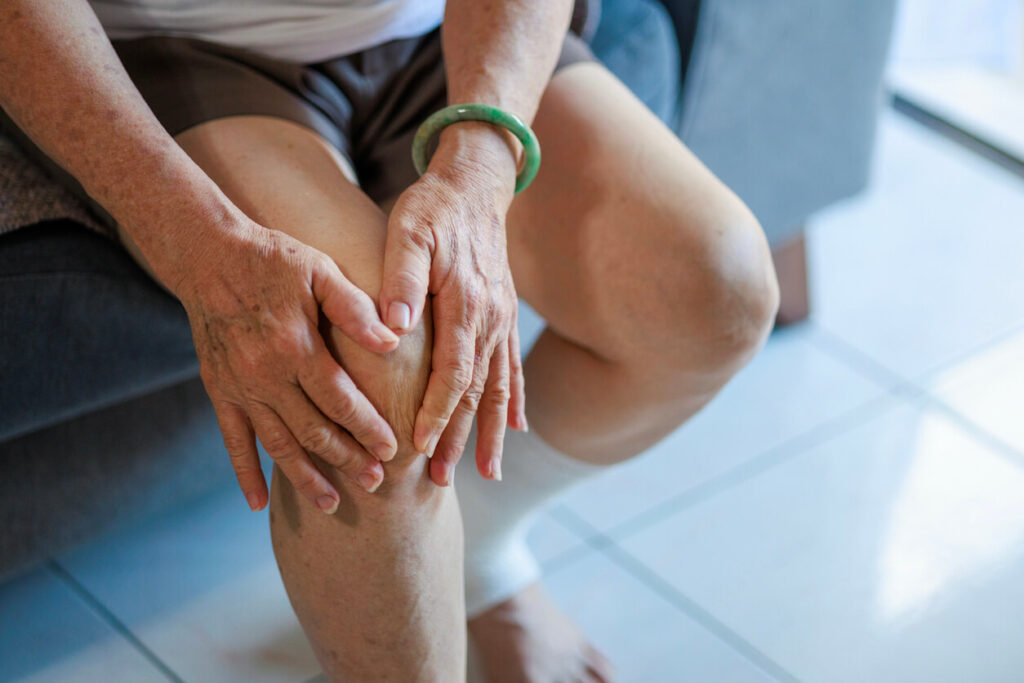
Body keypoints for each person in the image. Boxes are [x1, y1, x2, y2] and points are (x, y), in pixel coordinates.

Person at [0, 1, 779, 680]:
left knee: (719, 287)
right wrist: (187, 234)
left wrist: (480, 166)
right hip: (172, 44)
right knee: (371, 375)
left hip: (440, 33)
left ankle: (477, 556)